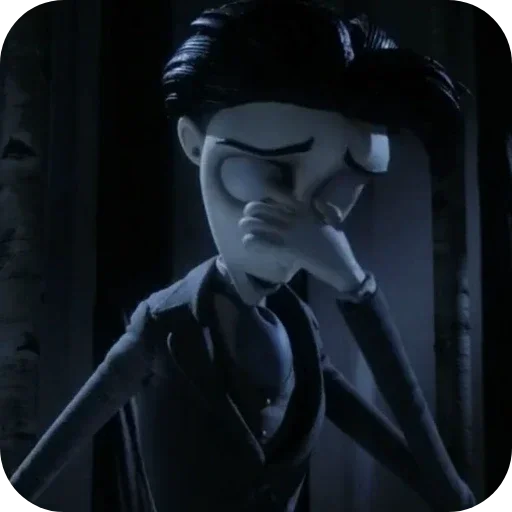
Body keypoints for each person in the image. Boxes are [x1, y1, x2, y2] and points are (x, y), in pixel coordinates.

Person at [9, 1, 479, 510]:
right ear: (194, 145)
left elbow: (435, 481)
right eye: (269, 173)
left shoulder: (302, 334)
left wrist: (353, 283)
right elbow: (51, 454)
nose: (302, 219)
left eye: (340, 186)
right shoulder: (162, 325)